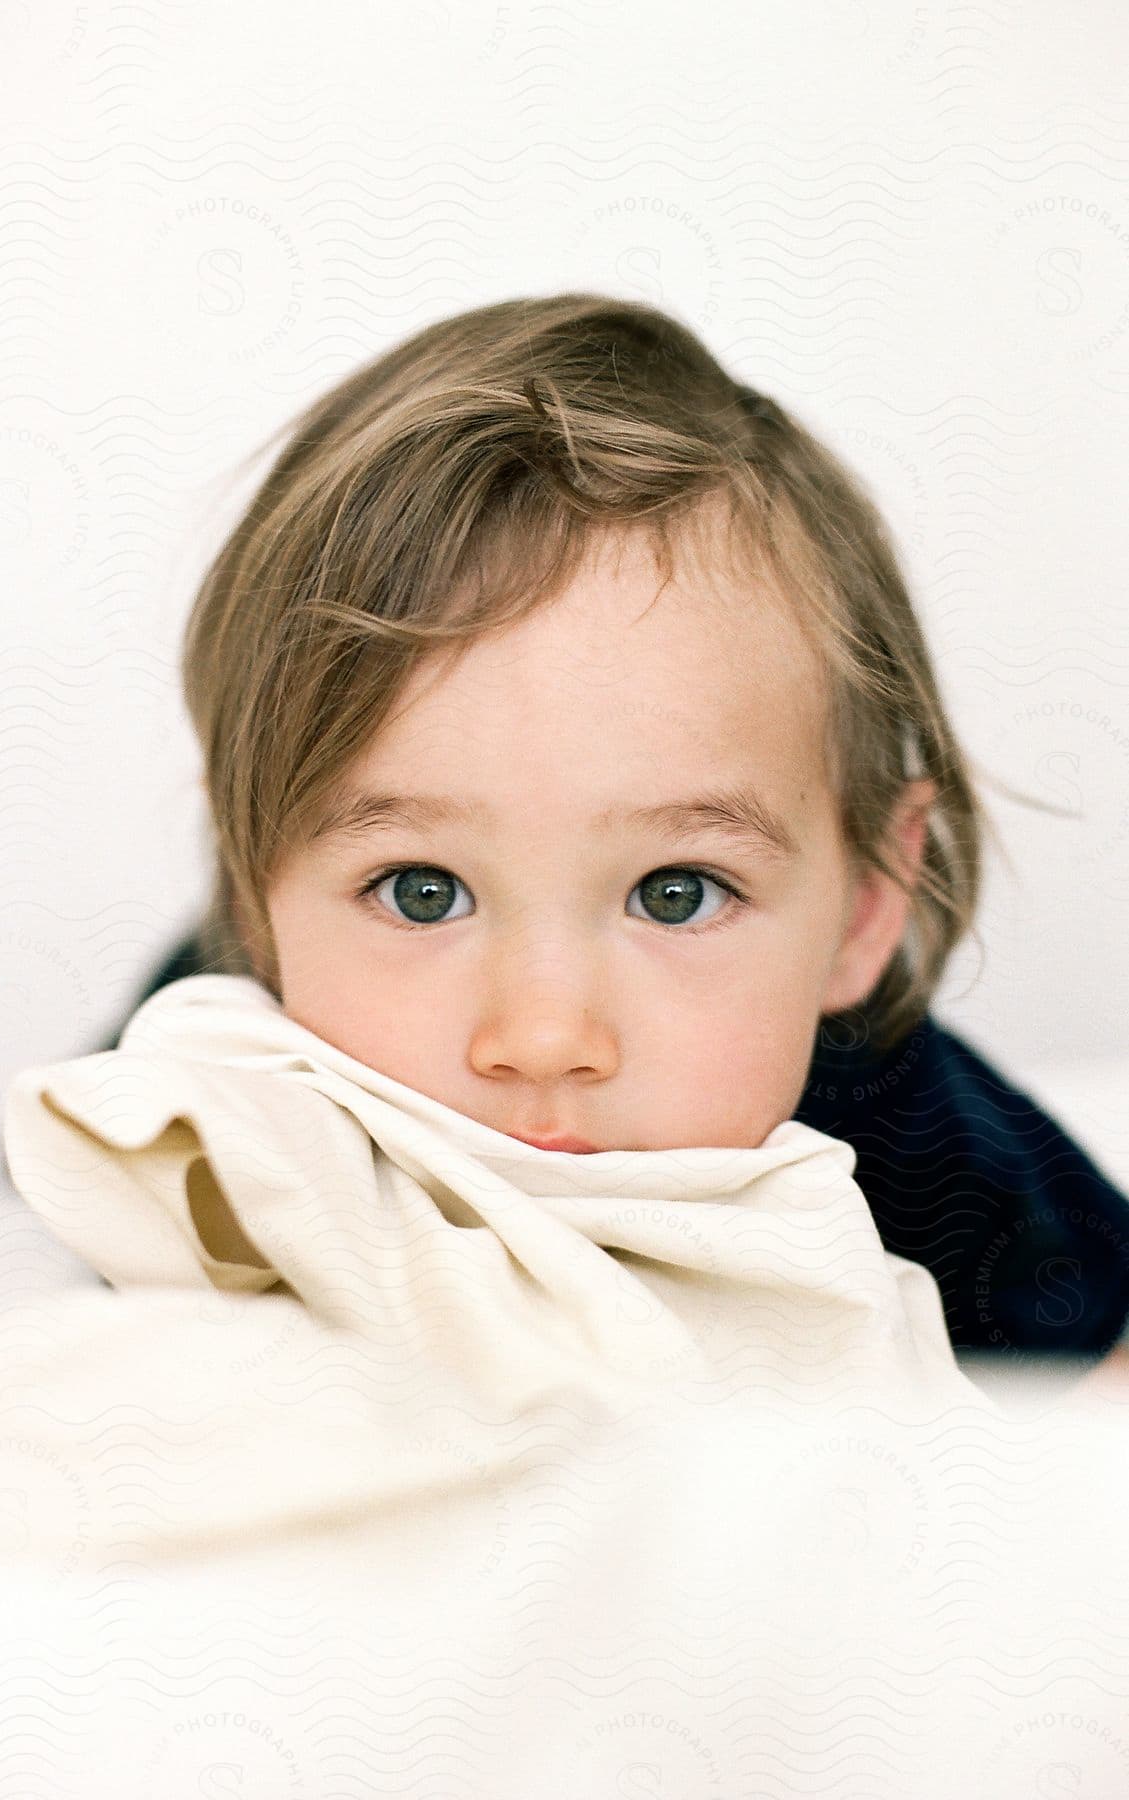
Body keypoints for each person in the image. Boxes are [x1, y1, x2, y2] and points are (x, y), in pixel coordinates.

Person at [81, 290, 1128, 1368]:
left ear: (860, 910)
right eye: (419, 889)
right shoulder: (226, 1113)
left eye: (675, 892)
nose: (541, 1039)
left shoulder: (895, 1129)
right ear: (253, 902)